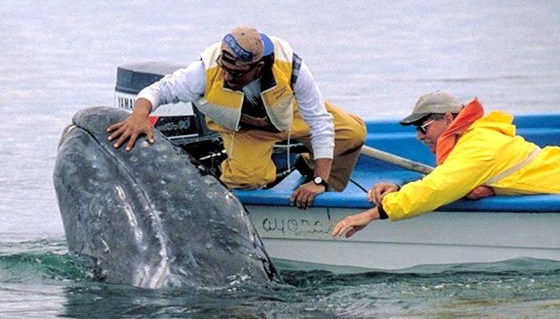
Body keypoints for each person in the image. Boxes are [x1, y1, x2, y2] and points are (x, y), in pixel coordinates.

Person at [107, 26, 367, 209]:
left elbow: (320, 122)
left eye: (237, 73)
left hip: (287, 112)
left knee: (352, 134)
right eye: (225, 69)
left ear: (259, 67)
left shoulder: (291, 65)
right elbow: (159, 90)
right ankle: (218, 180)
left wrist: (319, 181)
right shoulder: (204, 71)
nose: (228, 77)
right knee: (248, 179)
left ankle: (315, 181)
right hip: (241, 126)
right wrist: (139, 115)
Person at [332, 90, 560, 238]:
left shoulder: (479, 146)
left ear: (449, 120)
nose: (419, 137)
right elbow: (446, 180)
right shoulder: (477, 137)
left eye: (424, 127)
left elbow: (437, 189)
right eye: (416, 129)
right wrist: (399, 189)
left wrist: (371, 214)